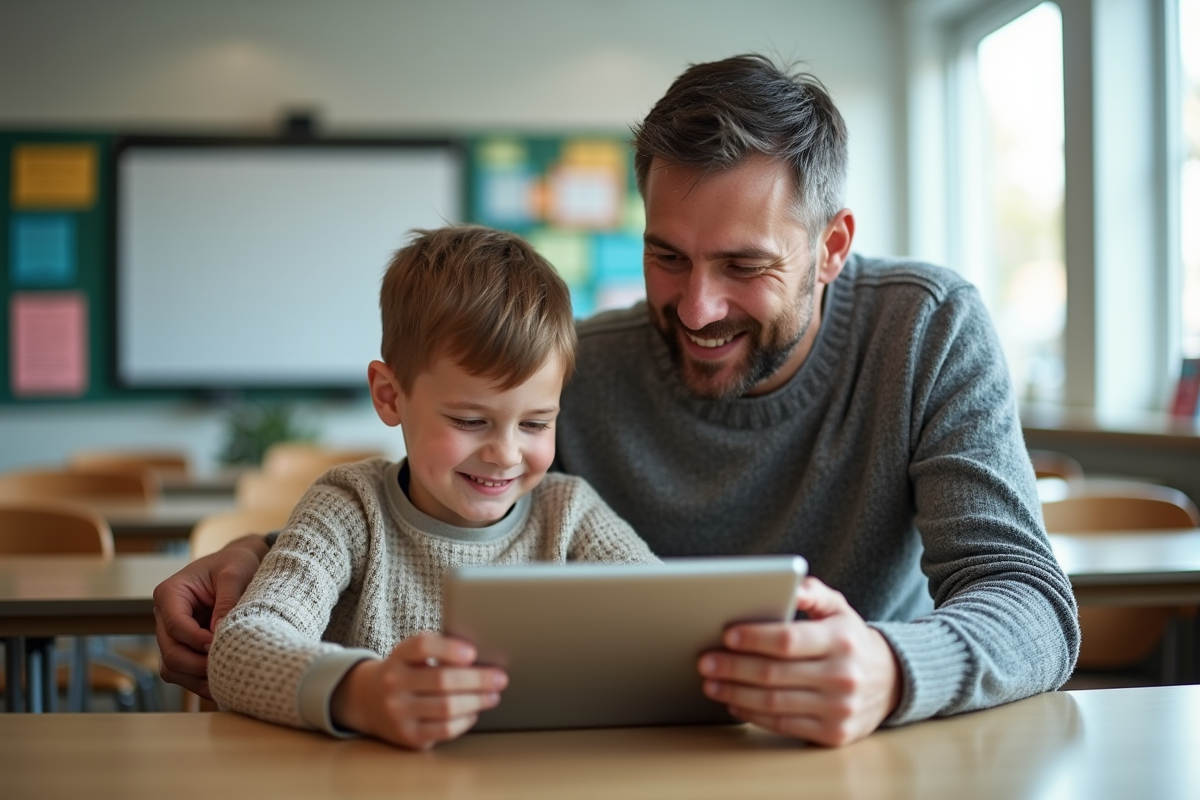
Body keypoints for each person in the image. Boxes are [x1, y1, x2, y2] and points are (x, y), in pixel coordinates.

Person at [155, 54, 1079, 748]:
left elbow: (1031, 603)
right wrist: (262, 554)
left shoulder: (926, 330)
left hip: (850, 756)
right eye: (667, 256)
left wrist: (891, 667)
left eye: (743, 266)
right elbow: (444, 512)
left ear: (831, 246)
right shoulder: (577, 374)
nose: (697, 308)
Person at [204, 226, 658, 750]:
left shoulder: (570, 513)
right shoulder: (349, 510)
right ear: (389, 395)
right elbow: (238, 649)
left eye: (535, 424)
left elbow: (666, 627)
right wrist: (362, 694)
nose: (506, 454)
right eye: (470, 421)